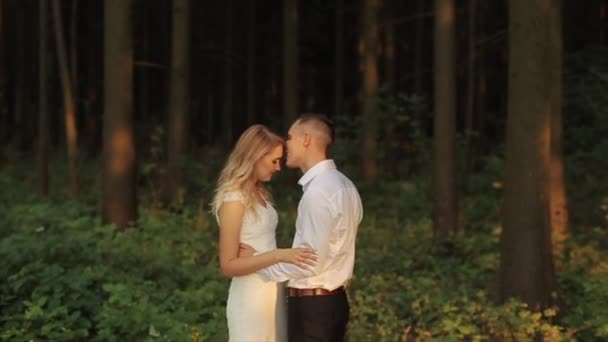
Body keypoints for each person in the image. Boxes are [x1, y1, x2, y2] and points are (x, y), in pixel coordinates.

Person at [242, 115, 363, 341]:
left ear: (306, 139)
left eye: (289, 137)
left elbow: (308, 262)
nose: (286, 144)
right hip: (333, 303)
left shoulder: (318, 192)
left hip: (313, 310)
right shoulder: (346, 186)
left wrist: (259, 261)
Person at [211, 124, 318, 342]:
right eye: (274, 161)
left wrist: (266, 257)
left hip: (272, 291)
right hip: (250, 297)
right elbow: (228, 265)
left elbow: (261, 246)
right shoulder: (233, 199)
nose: (278, 167)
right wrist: (279, 255)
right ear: (255, 157)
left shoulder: (260, 193)